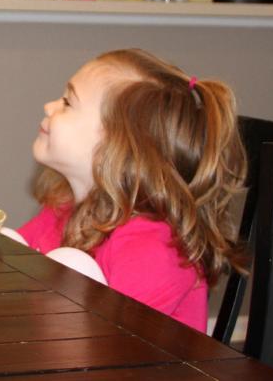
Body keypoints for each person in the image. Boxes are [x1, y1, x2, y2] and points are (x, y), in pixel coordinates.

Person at [12, 48, 247, 332]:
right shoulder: (62, 209)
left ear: (115, 144)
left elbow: (117, 345)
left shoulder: (154, 249)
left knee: (69, 267)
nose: (50, 106)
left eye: (67, 102)